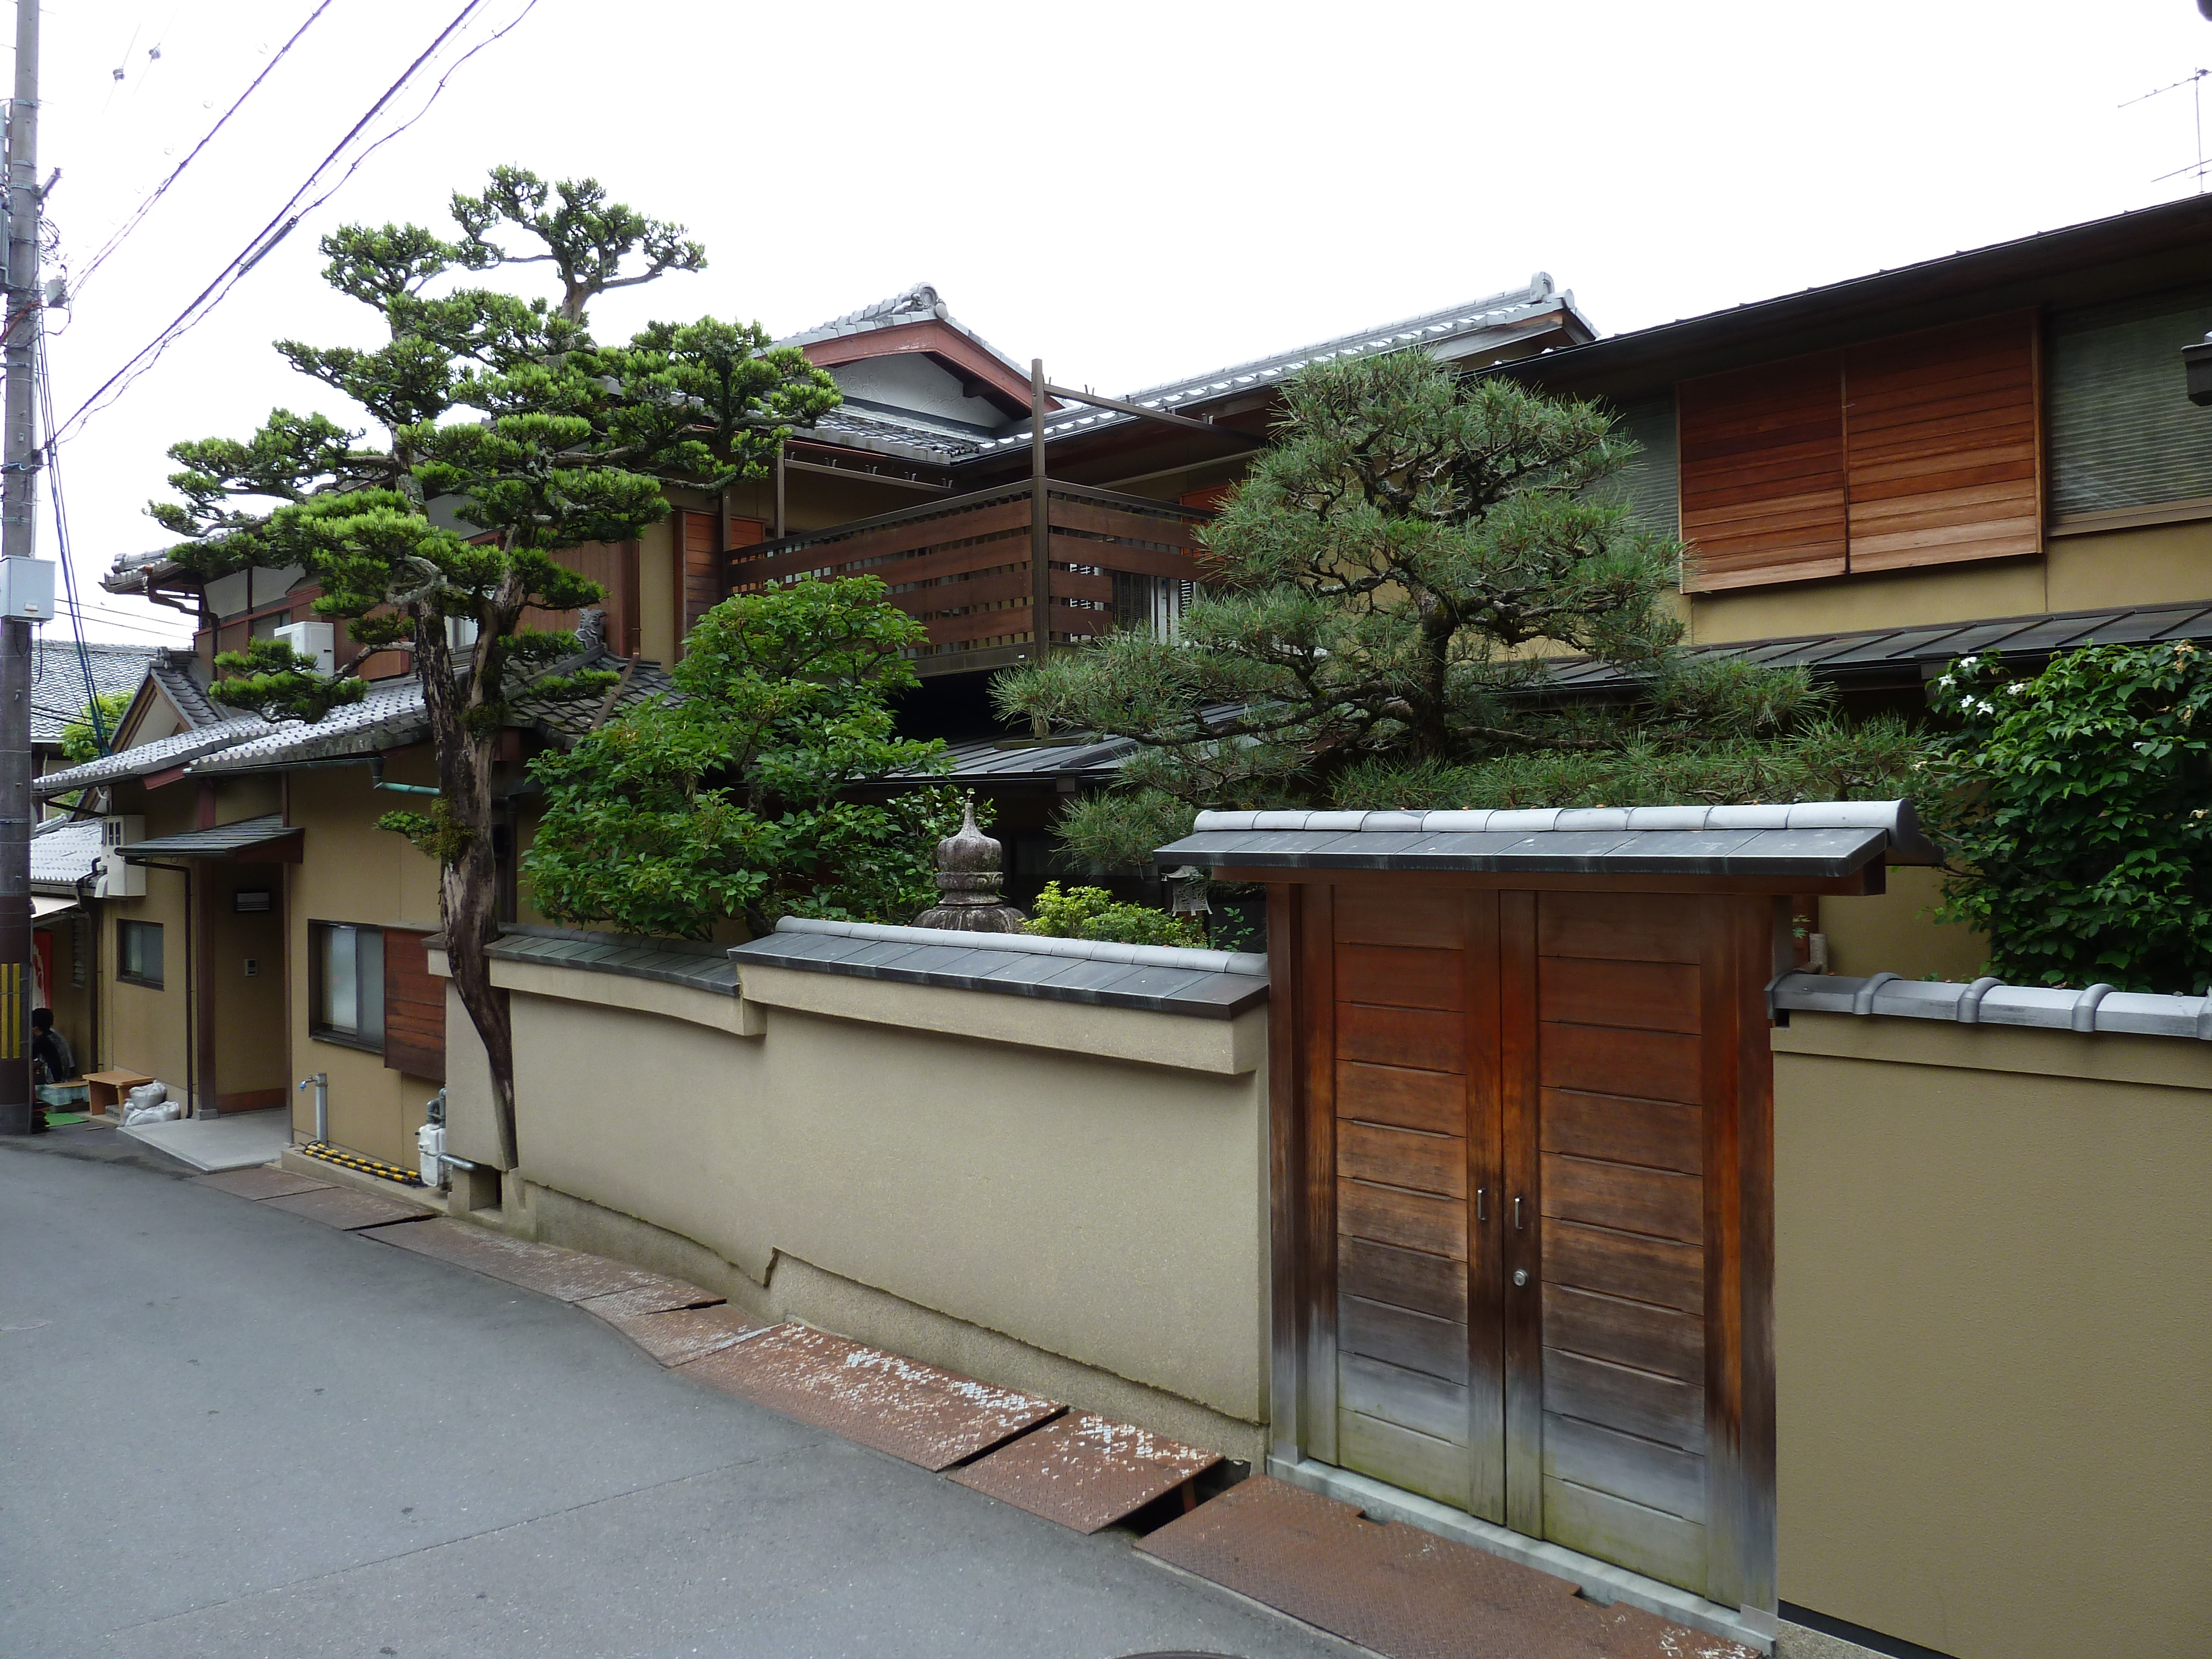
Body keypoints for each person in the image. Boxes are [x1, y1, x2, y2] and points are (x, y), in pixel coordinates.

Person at [31, 1006, 75, 1087]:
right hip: (66, 1074)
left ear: (35, 1027)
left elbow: (29, 1058)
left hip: (54, 1079)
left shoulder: (41, 1040)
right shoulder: (55, 1035)